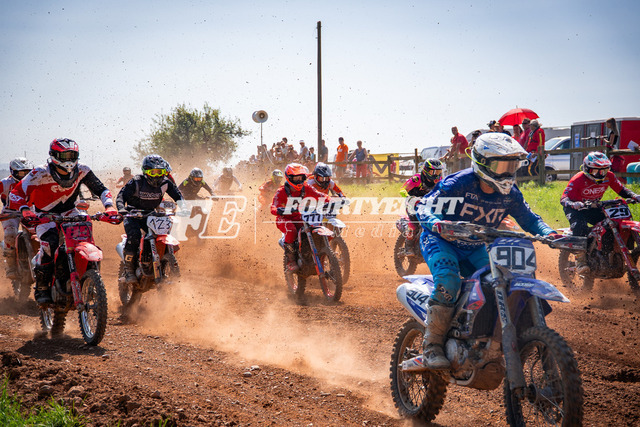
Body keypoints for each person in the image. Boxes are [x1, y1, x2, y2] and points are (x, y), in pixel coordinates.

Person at [416, 133, 558, 370]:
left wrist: (550, 233)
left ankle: (483, 336)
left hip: (476, 245)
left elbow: (530, 219)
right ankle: (432, 346)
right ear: (482, 163)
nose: (507, 173)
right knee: (449, 281)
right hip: (442, 241)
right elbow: (424, 205)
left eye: (512, 166)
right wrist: (437, 223)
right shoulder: (458, 183)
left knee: (499, 282)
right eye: (501, 166)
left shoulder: (511, 194)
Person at [9, 139, 117, 304]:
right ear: (54, 155)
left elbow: (101, 189)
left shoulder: (82, 170)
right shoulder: (40, 172)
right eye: (65, 156)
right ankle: (42, 288)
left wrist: (109, 207)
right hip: (45, 215)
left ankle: (87, 277)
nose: (69, 160)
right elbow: (16, 192)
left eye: (72, 155)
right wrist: (25, 210)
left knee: (85, 239)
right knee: (50, 245)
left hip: (70, 211)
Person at [560, 151, 640, 274]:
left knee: (610, 224)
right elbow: (563, 198)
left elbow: (621, 190)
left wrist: (634, 196)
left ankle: (607, 254)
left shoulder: (609, 176)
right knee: (580, 227)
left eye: (604, 170)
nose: (600, 174)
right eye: (596, 171)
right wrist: (573, 204)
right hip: (576, 209)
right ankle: (581, 261)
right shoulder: (578, 179)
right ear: (587, 169)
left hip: (593, 206)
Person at [116, 154, 185, 285]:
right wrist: (121, 209)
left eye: (160, 172)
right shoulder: (136, 181)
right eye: (153, 172)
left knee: (163, 233)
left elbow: (178, 196)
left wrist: (184, 207)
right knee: (134, 236)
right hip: (133, 215)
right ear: (146, 171)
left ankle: (161, 261)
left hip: (151, 215)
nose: (157, 175)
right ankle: (129, 270)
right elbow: (121, 196)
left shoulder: (166, 183)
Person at [270, 163, 328, 271]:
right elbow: (273, 206)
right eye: (296, 178)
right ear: (289, 177)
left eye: (301, 177)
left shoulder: (306, 187)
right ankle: (290, 260)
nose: (299, 180)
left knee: (313, 228)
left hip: (300, 217)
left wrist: (333, 200)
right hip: (284, 218)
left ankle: (318, 255)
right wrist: (279, 210)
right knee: (291, 230)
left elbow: (319, 195)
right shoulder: (281, 191)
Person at [399, 158, 443, 256]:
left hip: (428, 204)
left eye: (439, 171)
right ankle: (408, 247)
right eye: (434, 172)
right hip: (412, 203)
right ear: (426, 170)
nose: (437, 174)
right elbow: (403, 189)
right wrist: (409, 197)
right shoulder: (417, 179)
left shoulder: (439, 181)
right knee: (414, 224)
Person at [1, 158, 34, 279]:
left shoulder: (35, 181)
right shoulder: (5, 183)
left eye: (28, 172)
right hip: (10, 213)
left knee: (42, 235)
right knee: (10, 235)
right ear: (13, 172)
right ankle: (11, 266)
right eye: (21, 173)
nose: (25, 176)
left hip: (30, 212)